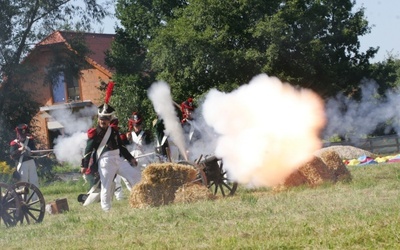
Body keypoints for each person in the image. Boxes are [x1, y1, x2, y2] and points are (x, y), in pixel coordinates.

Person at [81, 102, 138, 212]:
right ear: (98, 118)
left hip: (118, 159)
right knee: (106, 186)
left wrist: (130, 158)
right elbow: (88, 150)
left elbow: (121, 147)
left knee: (135, 176)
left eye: (106, 118)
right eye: (102, 118)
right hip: (105, 161)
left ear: (110, 119)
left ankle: (139, 199)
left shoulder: (114, 131)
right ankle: (106, 209)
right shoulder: (95, 133)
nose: (103, 121)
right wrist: (84, 165)